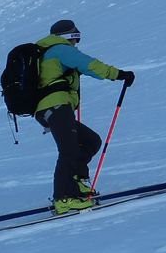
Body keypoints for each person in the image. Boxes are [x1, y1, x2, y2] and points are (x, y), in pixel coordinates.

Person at [33, 19, 135, 213]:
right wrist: (118, 74)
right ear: (70, 36)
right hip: (56, 105)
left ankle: (77, 183)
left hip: (52, 107)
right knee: (68, 150)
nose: (76, 43)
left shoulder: (47, 51)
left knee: (91, 141)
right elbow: (88, 64)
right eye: (75, 38)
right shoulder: (59, 49)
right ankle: (63, 199)